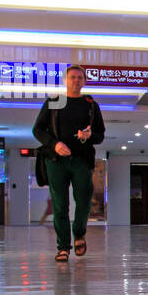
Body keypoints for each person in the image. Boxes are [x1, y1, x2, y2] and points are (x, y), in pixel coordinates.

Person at [32, 65, 105, 262]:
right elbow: (38, 130)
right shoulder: (55, 102)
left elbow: (100, 135)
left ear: (84, 81)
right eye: (72, 77)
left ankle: (79, 232)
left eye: (80, 77)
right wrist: (54, 144)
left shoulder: (90, 105)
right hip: (56, 161)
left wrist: (89, 136)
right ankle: (63, 247)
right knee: (59, 204)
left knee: (84, 198)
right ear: (65, 80)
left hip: (81, 159)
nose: (76, 81)